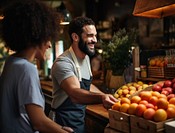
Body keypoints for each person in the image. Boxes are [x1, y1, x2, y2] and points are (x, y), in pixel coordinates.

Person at [0, 0, 74, 133]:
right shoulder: (26, 68)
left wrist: (59, 128)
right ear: (37, 35)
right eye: (48, 38)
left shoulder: (11, 62)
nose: (50, 45)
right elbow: (38, 122)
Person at [51, 16, 118, 133]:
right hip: (62, 123)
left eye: (95, 35)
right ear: (75, 37)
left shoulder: (86, 58)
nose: (95, 40)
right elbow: (75, 94)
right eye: (90, 35)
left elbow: (86, 85)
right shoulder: (63, 62)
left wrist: (107, 96)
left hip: (78, 121)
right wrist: (102, 98)